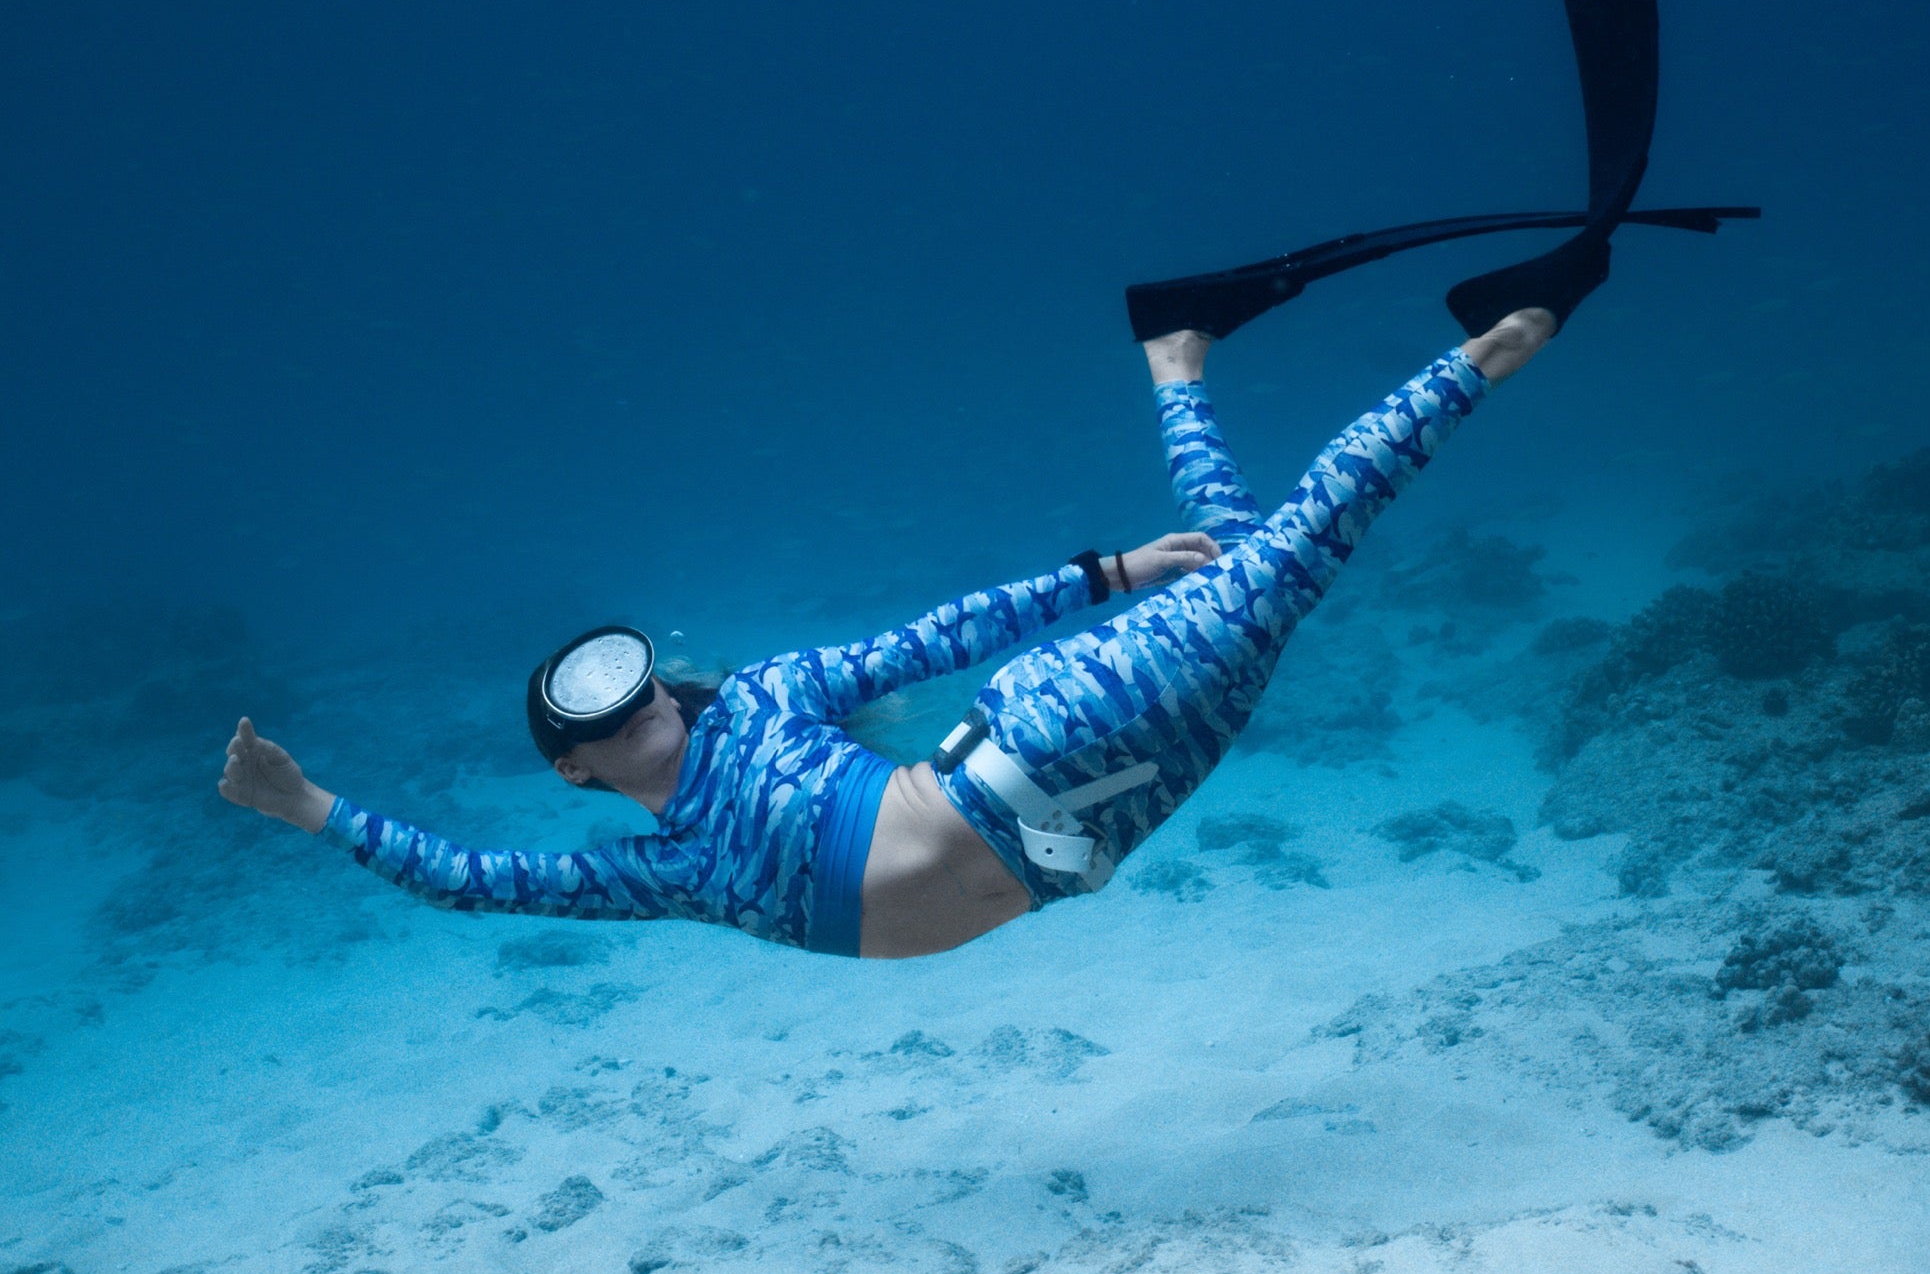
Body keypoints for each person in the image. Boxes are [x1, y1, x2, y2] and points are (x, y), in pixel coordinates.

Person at [219, 308, 1556, 960]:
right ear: (573, 769)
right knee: (1262, 593)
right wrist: (310, 807)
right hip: (1099, 825)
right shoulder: (667, 869)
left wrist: (1108, 570)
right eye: (603, 715)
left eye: (640, 684)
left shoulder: (760, 701)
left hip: (1040, 738)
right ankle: (1177, 362)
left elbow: (936, 636)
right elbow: (474, 880)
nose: (644, 707)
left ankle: (1492, 345)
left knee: (1293, 566)